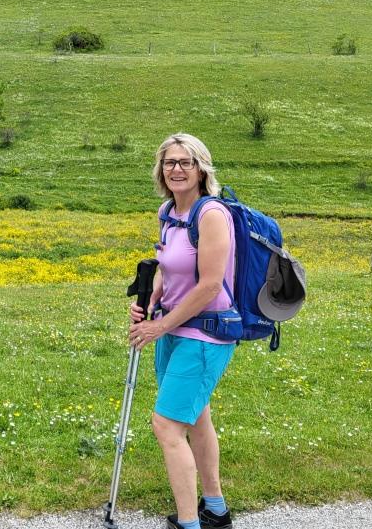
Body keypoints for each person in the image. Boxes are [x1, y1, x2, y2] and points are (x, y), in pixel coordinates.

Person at [128, 133, 236, 529]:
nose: (176, 169)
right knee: (196, 417)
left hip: (205, 334)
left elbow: (209, 285)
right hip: (173, 330)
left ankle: (189, 523)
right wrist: (150, 301)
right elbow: (167, 268)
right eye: (169, 162)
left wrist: (158, 326)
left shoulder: (212, 215)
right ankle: (216, 510)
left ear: (201, 169)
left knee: (167, 426)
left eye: (185, 162)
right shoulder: (168, 211)